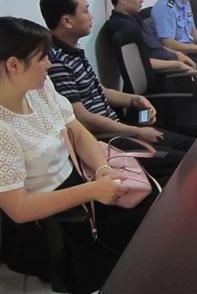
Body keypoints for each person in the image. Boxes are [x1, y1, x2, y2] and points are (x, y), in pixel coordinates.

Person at [0, 17, 153, 293]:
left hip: (82, 182)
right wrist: (93, 190)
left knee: (152, 209)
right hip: (51, 218)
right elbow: (19, 209)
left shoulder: (39, 89)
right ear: (14, 65)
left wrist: (103, 168)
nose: (50, 64)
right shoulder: (3, 129)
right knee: (135, 250)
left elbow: (78, 132)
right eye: (43, 58)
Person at [39, 0, 192, 184]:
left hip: (120, 129)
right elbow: (82, 118)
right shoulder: (56, 62)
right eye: (85, 11)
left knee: (191, 147)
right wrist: (136, 132)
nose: (91, 16)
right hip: (107, 141)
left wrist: (135, 100)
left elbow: (99, 90)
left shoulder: (73, 50)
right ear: (67, 21)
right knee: (186, 163)